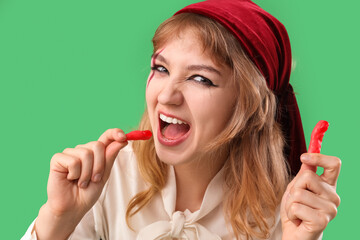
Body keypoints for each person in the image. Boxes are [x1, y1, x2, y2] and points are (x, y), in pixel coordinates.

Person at [22, 0, 341, 239]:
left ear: (249, 108)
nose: (166, 95)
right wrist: (56, 218)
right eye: (161, 69)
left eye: (200, 79)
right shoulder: (108, 177)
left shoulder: (286, 214)